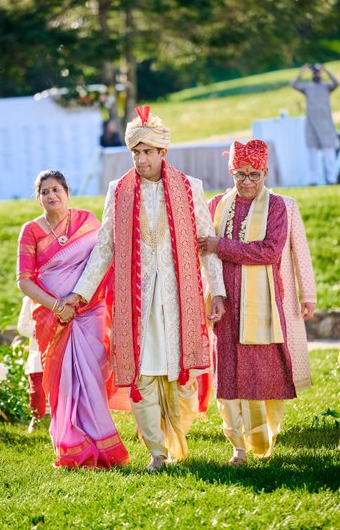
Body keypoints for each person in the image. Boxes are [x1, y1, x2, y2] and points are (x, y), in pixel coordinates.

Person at [63, 106, 226, 472]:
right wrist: (81, 292)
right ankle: (156, 452)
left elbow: (205, 242)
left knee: (179, 375)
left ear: (163, 153)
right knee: (141, 372)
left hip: (177, 298)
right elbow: (105, 247)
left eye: (147, 152)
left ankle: (176, 434)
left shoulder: (189, 188)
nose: (140, 159)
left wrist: (217, 291)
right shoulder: (117, 191)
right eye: (135, 152)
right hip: (133, 300)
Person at [17, 170, 129, 469]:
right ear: (38, 197)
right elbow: (24, 281)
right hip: (52, 317)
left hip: (89, 310)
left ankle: (102, 445)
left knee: (91, 376)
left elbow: (100, 263)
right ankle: (71, 446)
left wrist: (77, 299)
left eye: (56, 189)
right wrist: (57, 306)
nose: (51, 196)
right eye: (45, 191)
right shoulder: (31, 231)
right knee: (63, 383)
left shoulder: (87, 221)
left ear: (67, 192)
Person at [198, 139, 295, 466]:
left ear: (266, 171)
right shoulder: (215, 205)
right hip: (224, 302)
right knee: (226, 371)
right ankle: (237, 446)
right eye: (240, 174)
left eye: (254, 174)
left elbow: (269, 251)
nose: (247, 181)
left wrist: (220, 245)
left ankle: (263, 440)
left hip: (262, 302)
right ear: (231, 172)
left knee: (257, 371)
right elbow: (204, 255)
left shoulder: (277, 206)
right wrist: (215, 292)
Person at [279, 195, 316, 391]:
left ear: (265, 172)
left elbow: (300, 251)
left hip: (283, 290)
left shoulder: (287, 205)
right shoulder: (225, 204)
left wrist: (308, 294)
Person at [291, 63, 339, 185]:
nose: (316, 74)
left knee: (329, 153)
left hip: (326, 123)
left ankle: (332, 179)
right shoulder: (308, 87)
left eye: (318, 72)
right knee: (311, 153)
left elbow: (336, 83)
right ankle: (313, 180)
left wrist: (327, 71)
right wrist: (301, 72)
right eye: (314, 72)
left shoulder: (326, 87)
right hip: (311, 124)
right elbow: (294, 85)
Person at [16, 295, 46, 433]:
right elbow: (22, 326)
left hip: (58, 350)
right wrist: (38, 333)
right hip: (37, 352)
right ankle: (37, 418)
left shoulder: (60, 293)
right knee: (36, 390)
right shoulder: (29, 299)